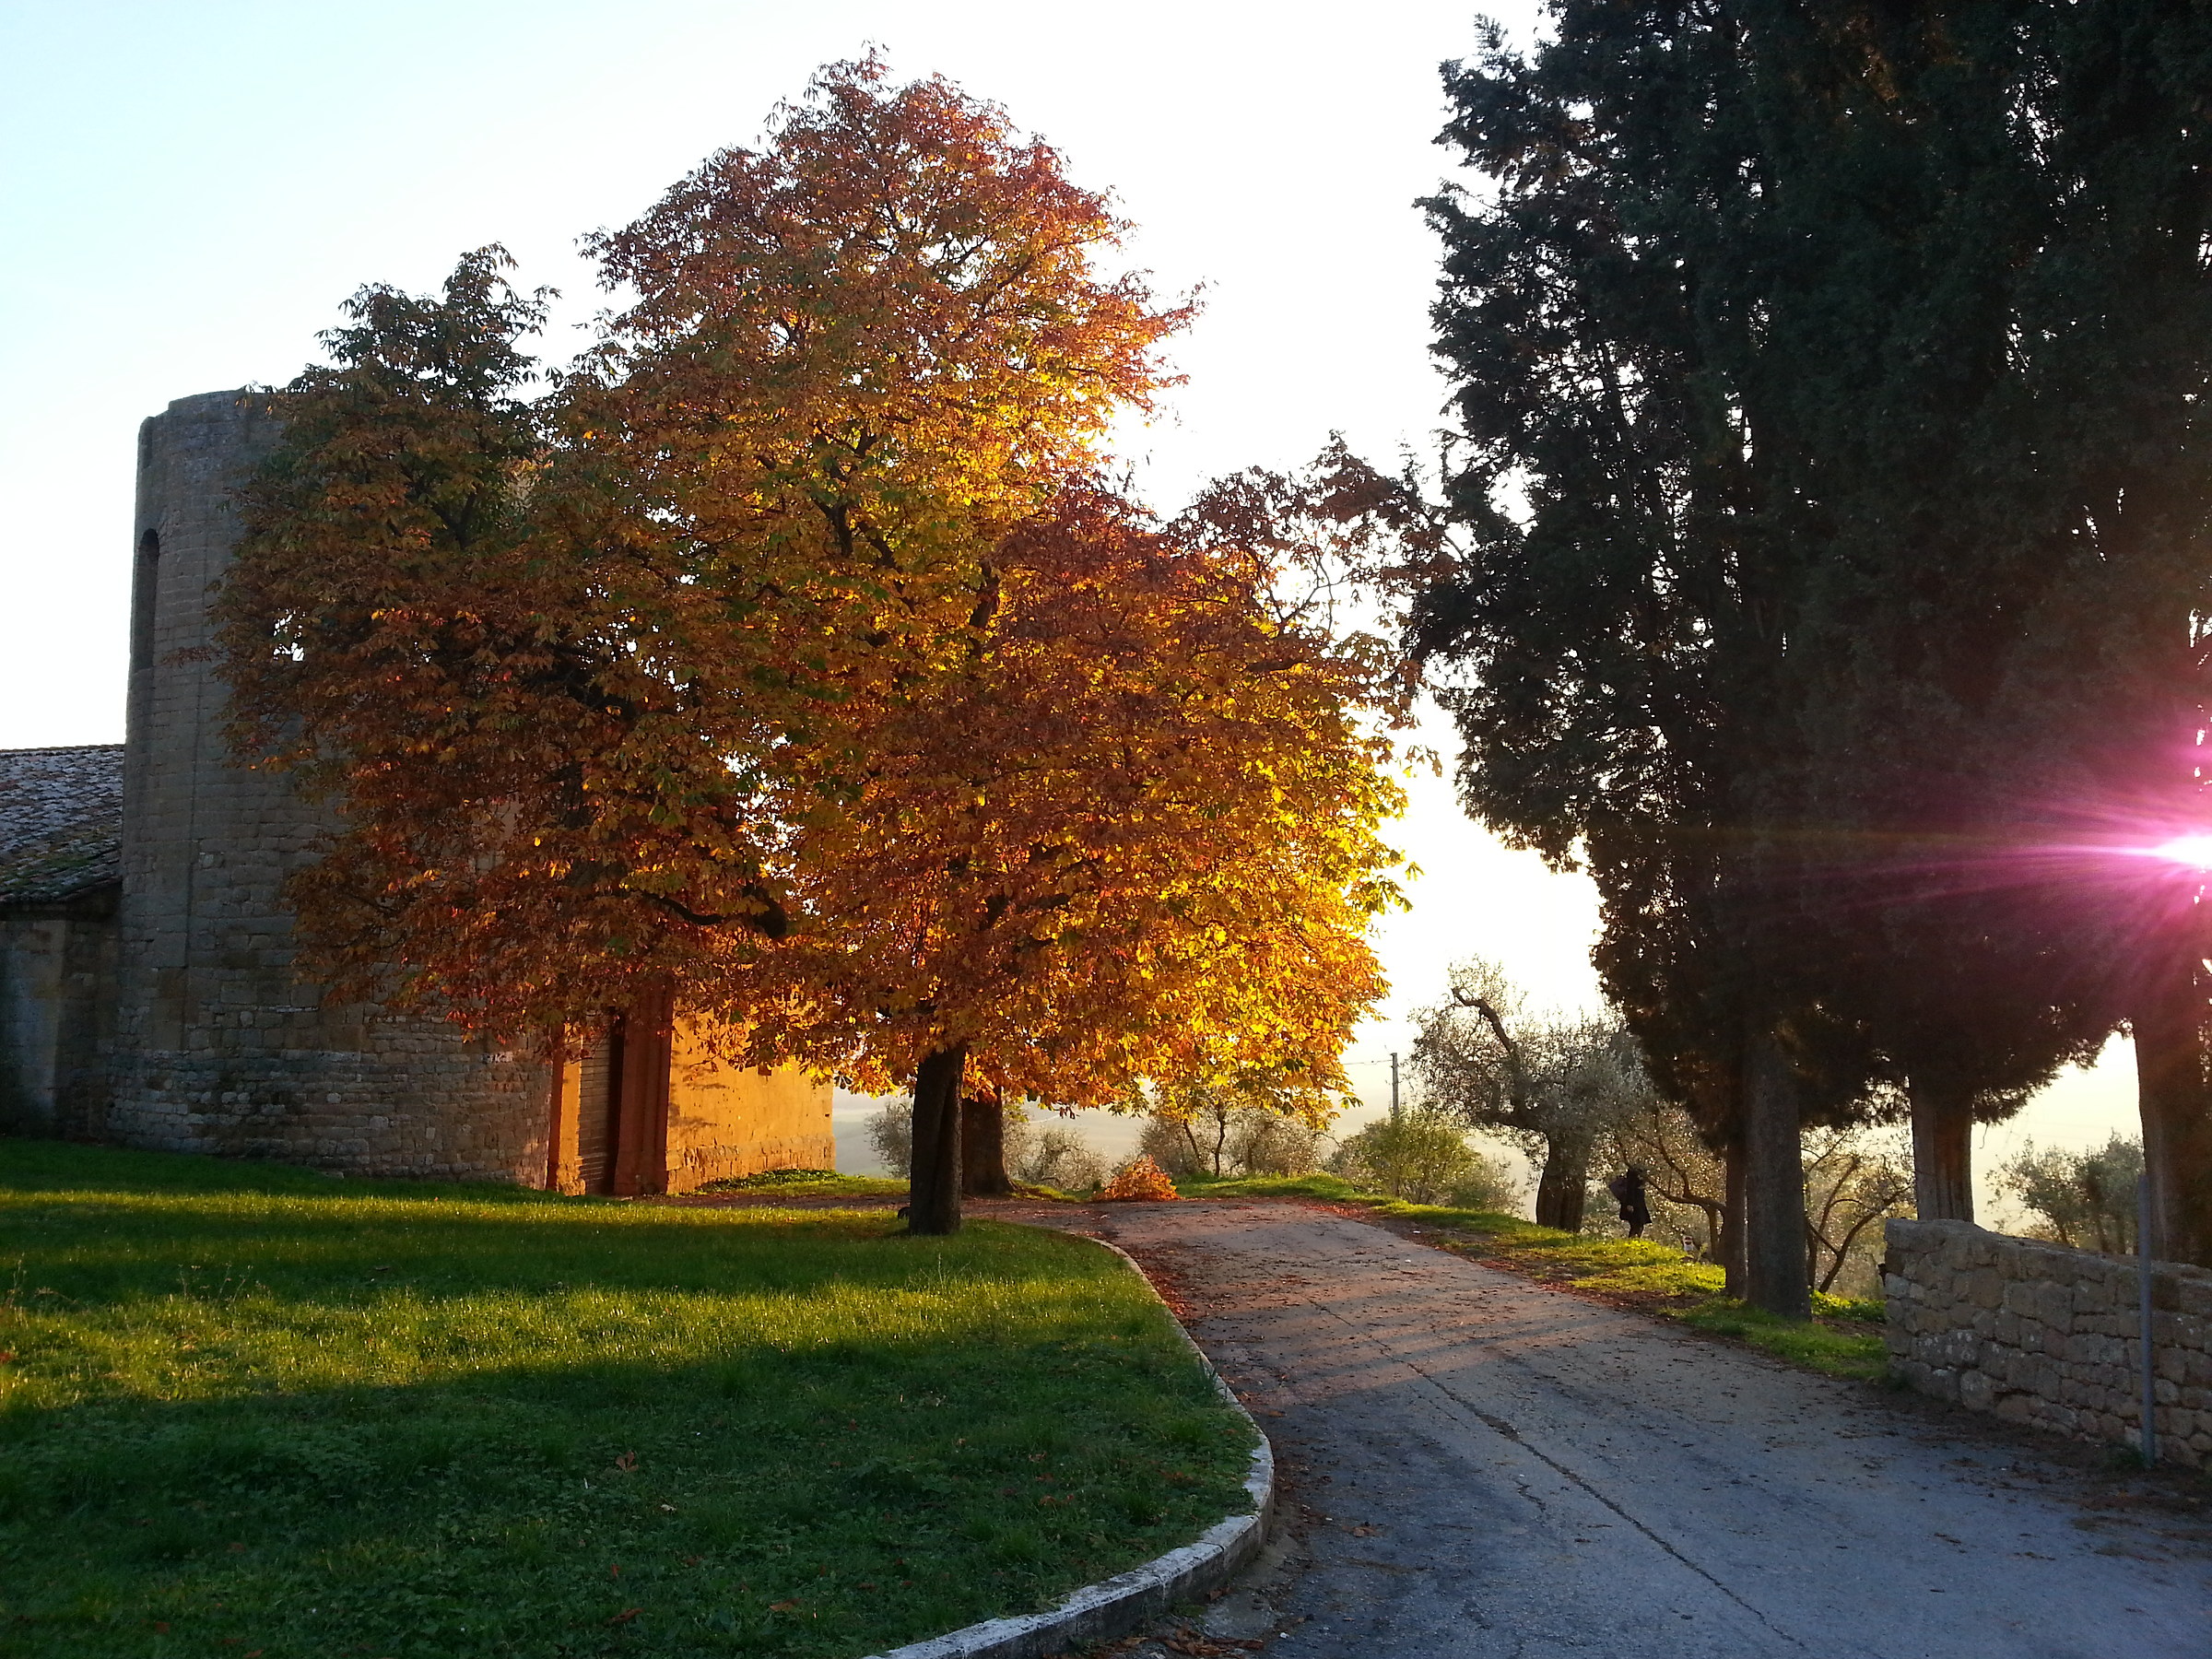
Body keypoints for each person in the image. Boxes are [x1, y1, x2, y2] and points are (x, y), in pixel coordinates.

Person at [1606, 1165, 1652, 1239]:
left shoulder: (1641, 1171)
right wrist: (1630, 1204)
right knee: (1636, 1225)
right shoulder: (1634, 1172)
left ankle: (1634, 1243)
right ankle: (1632, 1243)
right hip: (1634, 1203)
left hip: (1638, 1202)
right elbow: (1630, 1188)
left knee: (1639, 1225)